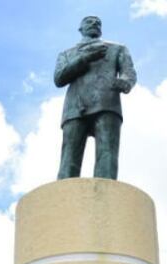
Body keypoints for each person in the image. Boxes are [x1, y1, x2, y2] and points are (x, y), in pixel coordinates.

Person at [55, 15, 136, 180]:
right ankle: (64, 198)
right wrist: (85, 58)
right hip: (75, 107)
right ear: (81, 28)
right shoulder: (67, 54)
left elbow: (129, 73)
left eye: (98, 22)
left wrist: (125, 82)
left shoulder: (116, 49)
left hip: (107, 103)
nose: (94, 24)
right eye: (89, 22)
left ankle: (105, 198)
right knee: (69, 157)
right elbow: (59, 78)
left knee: (107, 155)